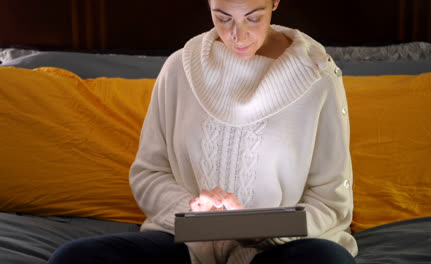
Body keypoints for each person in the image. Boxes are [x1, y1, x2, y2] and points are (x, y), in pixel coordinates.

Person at [48, 0, 357, 263]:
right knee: (72, 259)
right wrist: (197, 218)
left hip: (279, 250)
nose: (238, 35)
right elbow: (148, 174)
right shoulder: (179, 68)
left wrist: (261, 227)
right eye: (223, 17)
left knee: (329, 261)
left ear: (274, 2)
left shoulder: (318, 77)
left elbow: (330, 201)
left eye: (254, 17)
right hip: (183, 246)